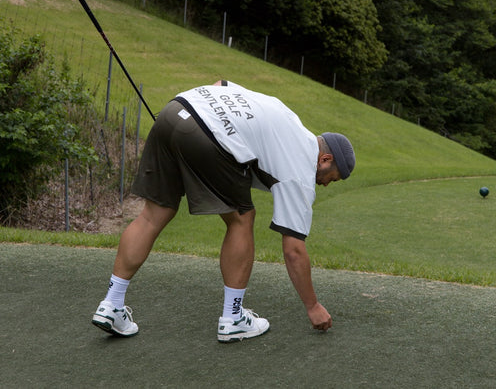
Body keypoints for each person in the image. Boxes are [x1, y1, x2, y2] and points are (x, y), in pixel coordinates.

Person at [92, 80, 355, 342]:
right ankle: (233, 318)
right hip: (206, 133)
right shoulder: (300, 171)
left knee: (153, 214)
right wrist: (313, 306)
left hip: (174, 111)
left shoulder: (286, 114)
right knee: (242, 218)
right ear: (325, 159)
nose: (326, 184)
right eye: (332, 178)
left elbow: (222, 84)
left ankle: (111, 304)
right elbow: (293, 250)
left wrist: (190, 124)